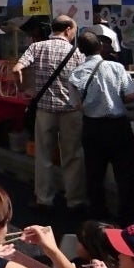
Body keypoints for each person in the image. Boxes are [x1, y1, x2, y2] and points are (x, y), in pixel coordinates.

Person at [12, 15, 86, 212]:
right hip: (70, 111)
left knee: (43, 156)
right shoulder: (76, 52)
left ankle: (44, 198)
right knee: (72, 156)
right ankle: (75, 200)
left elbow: (17, 67)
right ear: (68, 29)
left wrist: (23, 86)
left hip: (44, 110)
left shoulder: (37, 47)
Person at [68, 31, 134, 223]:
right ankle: (129, 217)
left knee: (94, 175)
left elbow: (75, 105)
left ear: (81, 51)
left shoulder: (76, 73)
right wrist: (117, 98)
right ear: (100, 47)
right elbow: (132, 95)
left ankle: (98, 216)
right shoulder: (116, 67)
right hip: (118, 126)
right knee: (126, 175)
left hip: (92, 127)